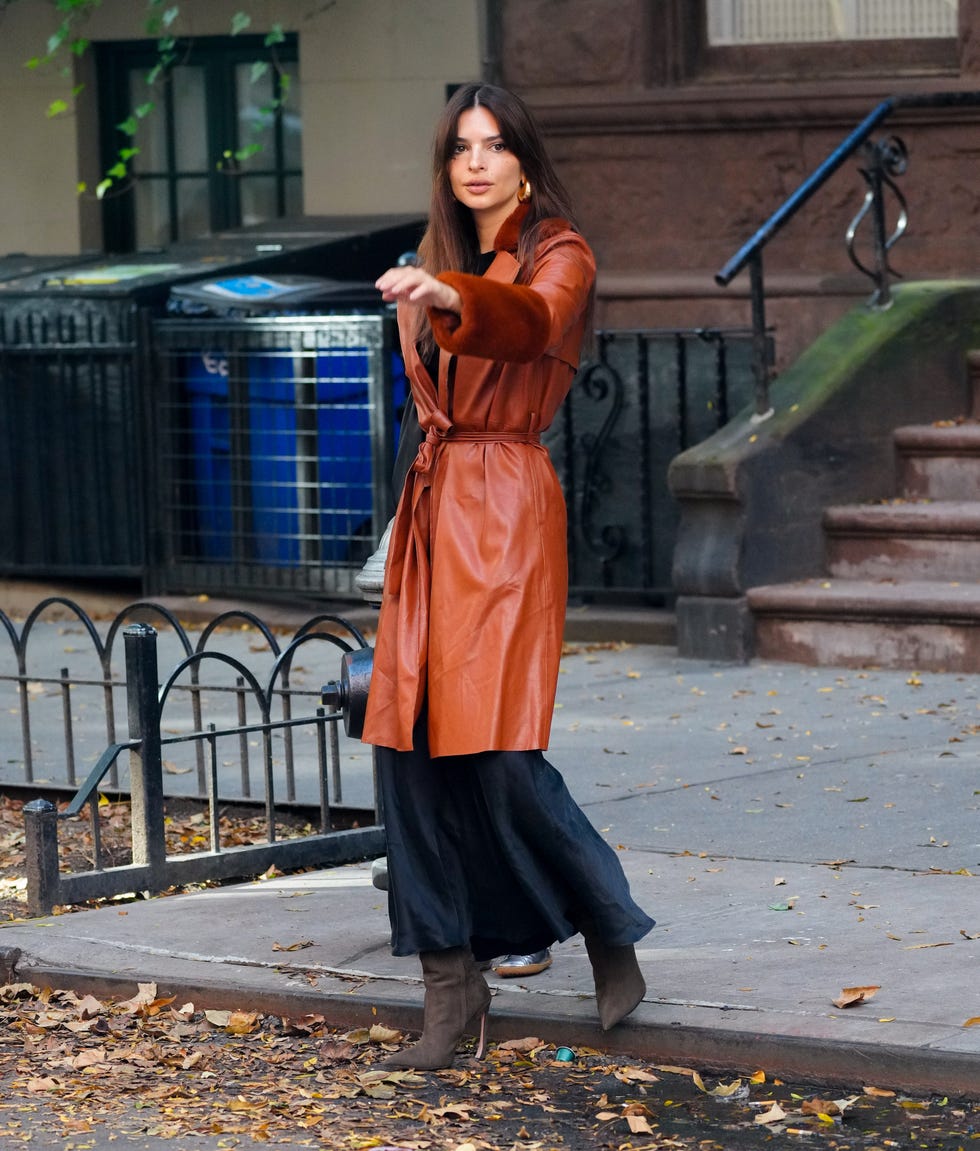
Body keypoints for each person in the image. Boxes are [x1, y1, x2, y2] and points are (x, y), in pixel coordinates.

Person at [361, 82, 654, 1071]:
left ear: (524, 160)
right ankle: (450, 990)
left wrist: (446, 296)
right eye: (460, 147)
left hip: (506, 507)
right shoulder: (433, 253)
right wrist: (403, 512)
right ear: (446, 166)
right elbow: (425, 405)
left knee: (495, 750)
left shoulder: (559, 252)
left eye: (494, 145)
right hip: (435, 506)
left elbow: (527, 324)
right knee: (405, 747)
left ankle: (603, 919)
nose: (476, 161)